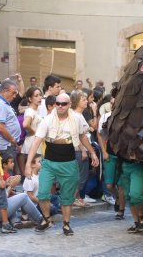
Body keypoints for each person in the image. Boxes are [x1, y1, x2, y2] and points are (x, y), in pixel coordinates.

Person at [24, 93, 99, 236]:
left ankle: (66, 224)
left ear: (69, 104)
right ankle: (46, 220)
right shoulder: (47, 120)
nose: (60, 106)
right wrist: (28, 163)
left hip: (69, 163)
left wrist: (92, 153)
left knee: (67, 196)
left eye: (63, 104)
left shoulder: (77, 119)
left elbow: (83, 136)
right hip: (49, 163)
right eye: (57, 103)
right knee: (43, 194)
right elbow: (36, 142)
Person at [0, 80, 21, 172]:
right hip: (6, 146)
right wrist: (13, 140)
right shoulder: (0, 104)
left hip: (6, 145)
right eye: (13, 93)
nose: (15, 96)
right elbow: (1, 127)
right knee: (7, 176)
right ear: (5, 91)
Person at [21, 87, 43, 168]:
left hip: (36, 145)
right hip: (32, 144)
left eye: (40, 95)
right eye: (36, 96)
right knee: (32, 172)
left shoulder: (36, 110)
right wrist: (33, 132)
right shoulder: (30, 111)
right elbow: (25, 124)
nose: (39, 97)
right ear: (30, 99)